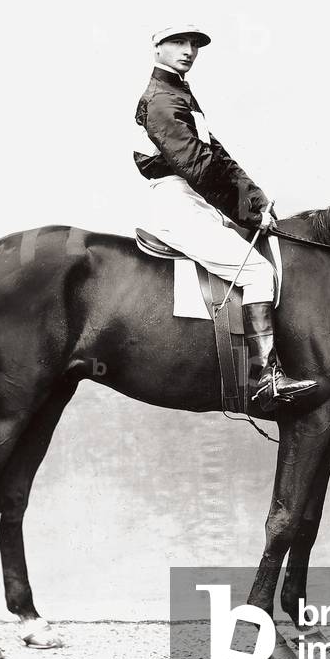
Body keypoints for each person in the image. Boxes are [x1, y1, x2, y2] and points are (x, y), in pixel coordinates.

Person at [133, 24, 317, 410]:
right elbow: (198, 168)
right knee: (257, 272)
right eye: (177, 42)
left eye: (193, 44)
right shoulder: (163, 101)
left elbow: (219, 158)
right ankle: (264, 378)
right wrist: (247, 213)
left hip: (193, 200)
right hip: (175, 203)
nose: (188, 51)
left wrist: (258, 202)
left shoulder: (180, 94)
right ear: (156, 47)